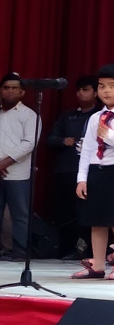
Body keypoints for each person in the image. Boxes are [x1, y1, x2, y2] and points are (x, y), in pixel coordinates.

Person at [72, 64, 114, 280]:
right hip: (96, 172)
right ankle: (98, 265)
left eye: (112, 86)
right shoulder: (95, 118)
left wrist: (109, 135)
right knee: (97, 221)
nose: (106, 91)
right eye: (102, 86)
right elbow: (87, 150)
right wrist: (82, 178)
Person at [46, 75, 101, 258]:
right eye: (78, 90)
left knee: (86, 212)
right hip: (65, 170)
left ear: (96, 92)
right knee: (64, 211)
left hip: (90, 172)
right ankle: (66, 247)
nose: (80, 94)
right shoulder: (68, 116)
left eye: (85, 90)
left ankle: (89, 250)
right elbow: (50, 139)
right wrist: (64, 141)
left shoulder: (100, 115)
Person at [0, 74, 40, 261]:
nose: (10, 91)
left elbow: (29, 143)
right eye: (6, 87)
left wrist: (4, 162)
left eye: (14, 88)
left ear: (22, 92)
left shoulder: (29, 115)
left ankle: (20, 252)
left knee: (20, 215)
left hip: (18, 174)